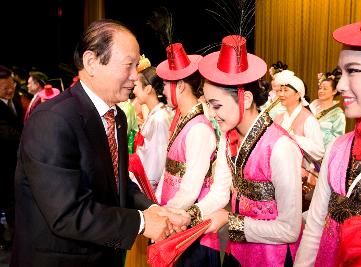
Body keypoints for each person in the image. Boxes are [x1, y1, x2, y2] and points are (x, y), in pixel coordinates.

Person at [11, 19, 190, 267]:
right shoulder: (53, 120)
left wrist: (153, 210)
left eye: (136, 67)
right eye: (128, 66)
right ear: (91, 62)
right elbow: (67, 213)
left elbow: (118, 184)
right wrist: (143, 222)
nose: (134, 77)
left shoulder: (115, 117)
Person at [294, 0, 361, 266]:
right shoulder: (339, 149)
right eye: (341, 72)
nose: (340, 84)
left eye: (354, 71)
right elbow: (314, 231)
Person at [198, 35, 303, 267]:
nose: (211, 114)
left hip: (271, 257)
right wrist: (190, 215)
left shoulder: (280, 147)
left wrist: (230, 220)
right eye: (207, 105)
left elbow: (290, 229)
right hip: (238, 251)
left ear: (245, 99)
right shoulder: (229, 137)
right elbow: (220, 193)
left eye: (216, 105)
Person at [154, 42, 226, 267]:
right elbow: (168, 173)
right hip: (174, 222)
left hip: (191, 232)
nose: (163, 90)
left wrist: (165, 216)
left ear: (181, 85)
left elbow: (190, 189)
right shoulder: (182, 121)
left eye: (166, 84)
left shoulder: (199, 129)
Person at [274, 70, 325, 212]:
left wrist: (294, 138)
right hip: (279, 176)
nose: (281, 94)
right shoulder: (279, 118)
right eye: (280, 90)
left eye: (285, 90)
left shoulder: (308, 118)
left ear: (298, 94)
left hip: (299, 179)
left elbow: (319, 151)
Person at [132, 55, 172, 190]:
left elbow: (158, 160)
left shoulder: (160, 118)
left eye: (136, 85)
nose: (134, 89)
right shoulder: (154, 114)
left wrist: (145, 188)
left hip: (149, 186)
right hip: (142, 178)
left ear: (148, 89)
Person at [0, 65, 24, 251]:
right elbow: (6, 133)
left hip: (15, 159)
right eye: (5, 88)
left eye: (12, 86)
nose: (10, 90)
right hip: (3, 160)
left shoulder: (15, 99)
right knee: (8, 200)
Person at [309, 68, 346, 147]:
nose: (321, 91)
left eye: (325, 88)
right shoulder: (312, 107)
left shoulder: (338, 114)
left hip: (324, 153)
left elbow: (338, 140)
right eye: (320, 88)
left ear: (334, 91)